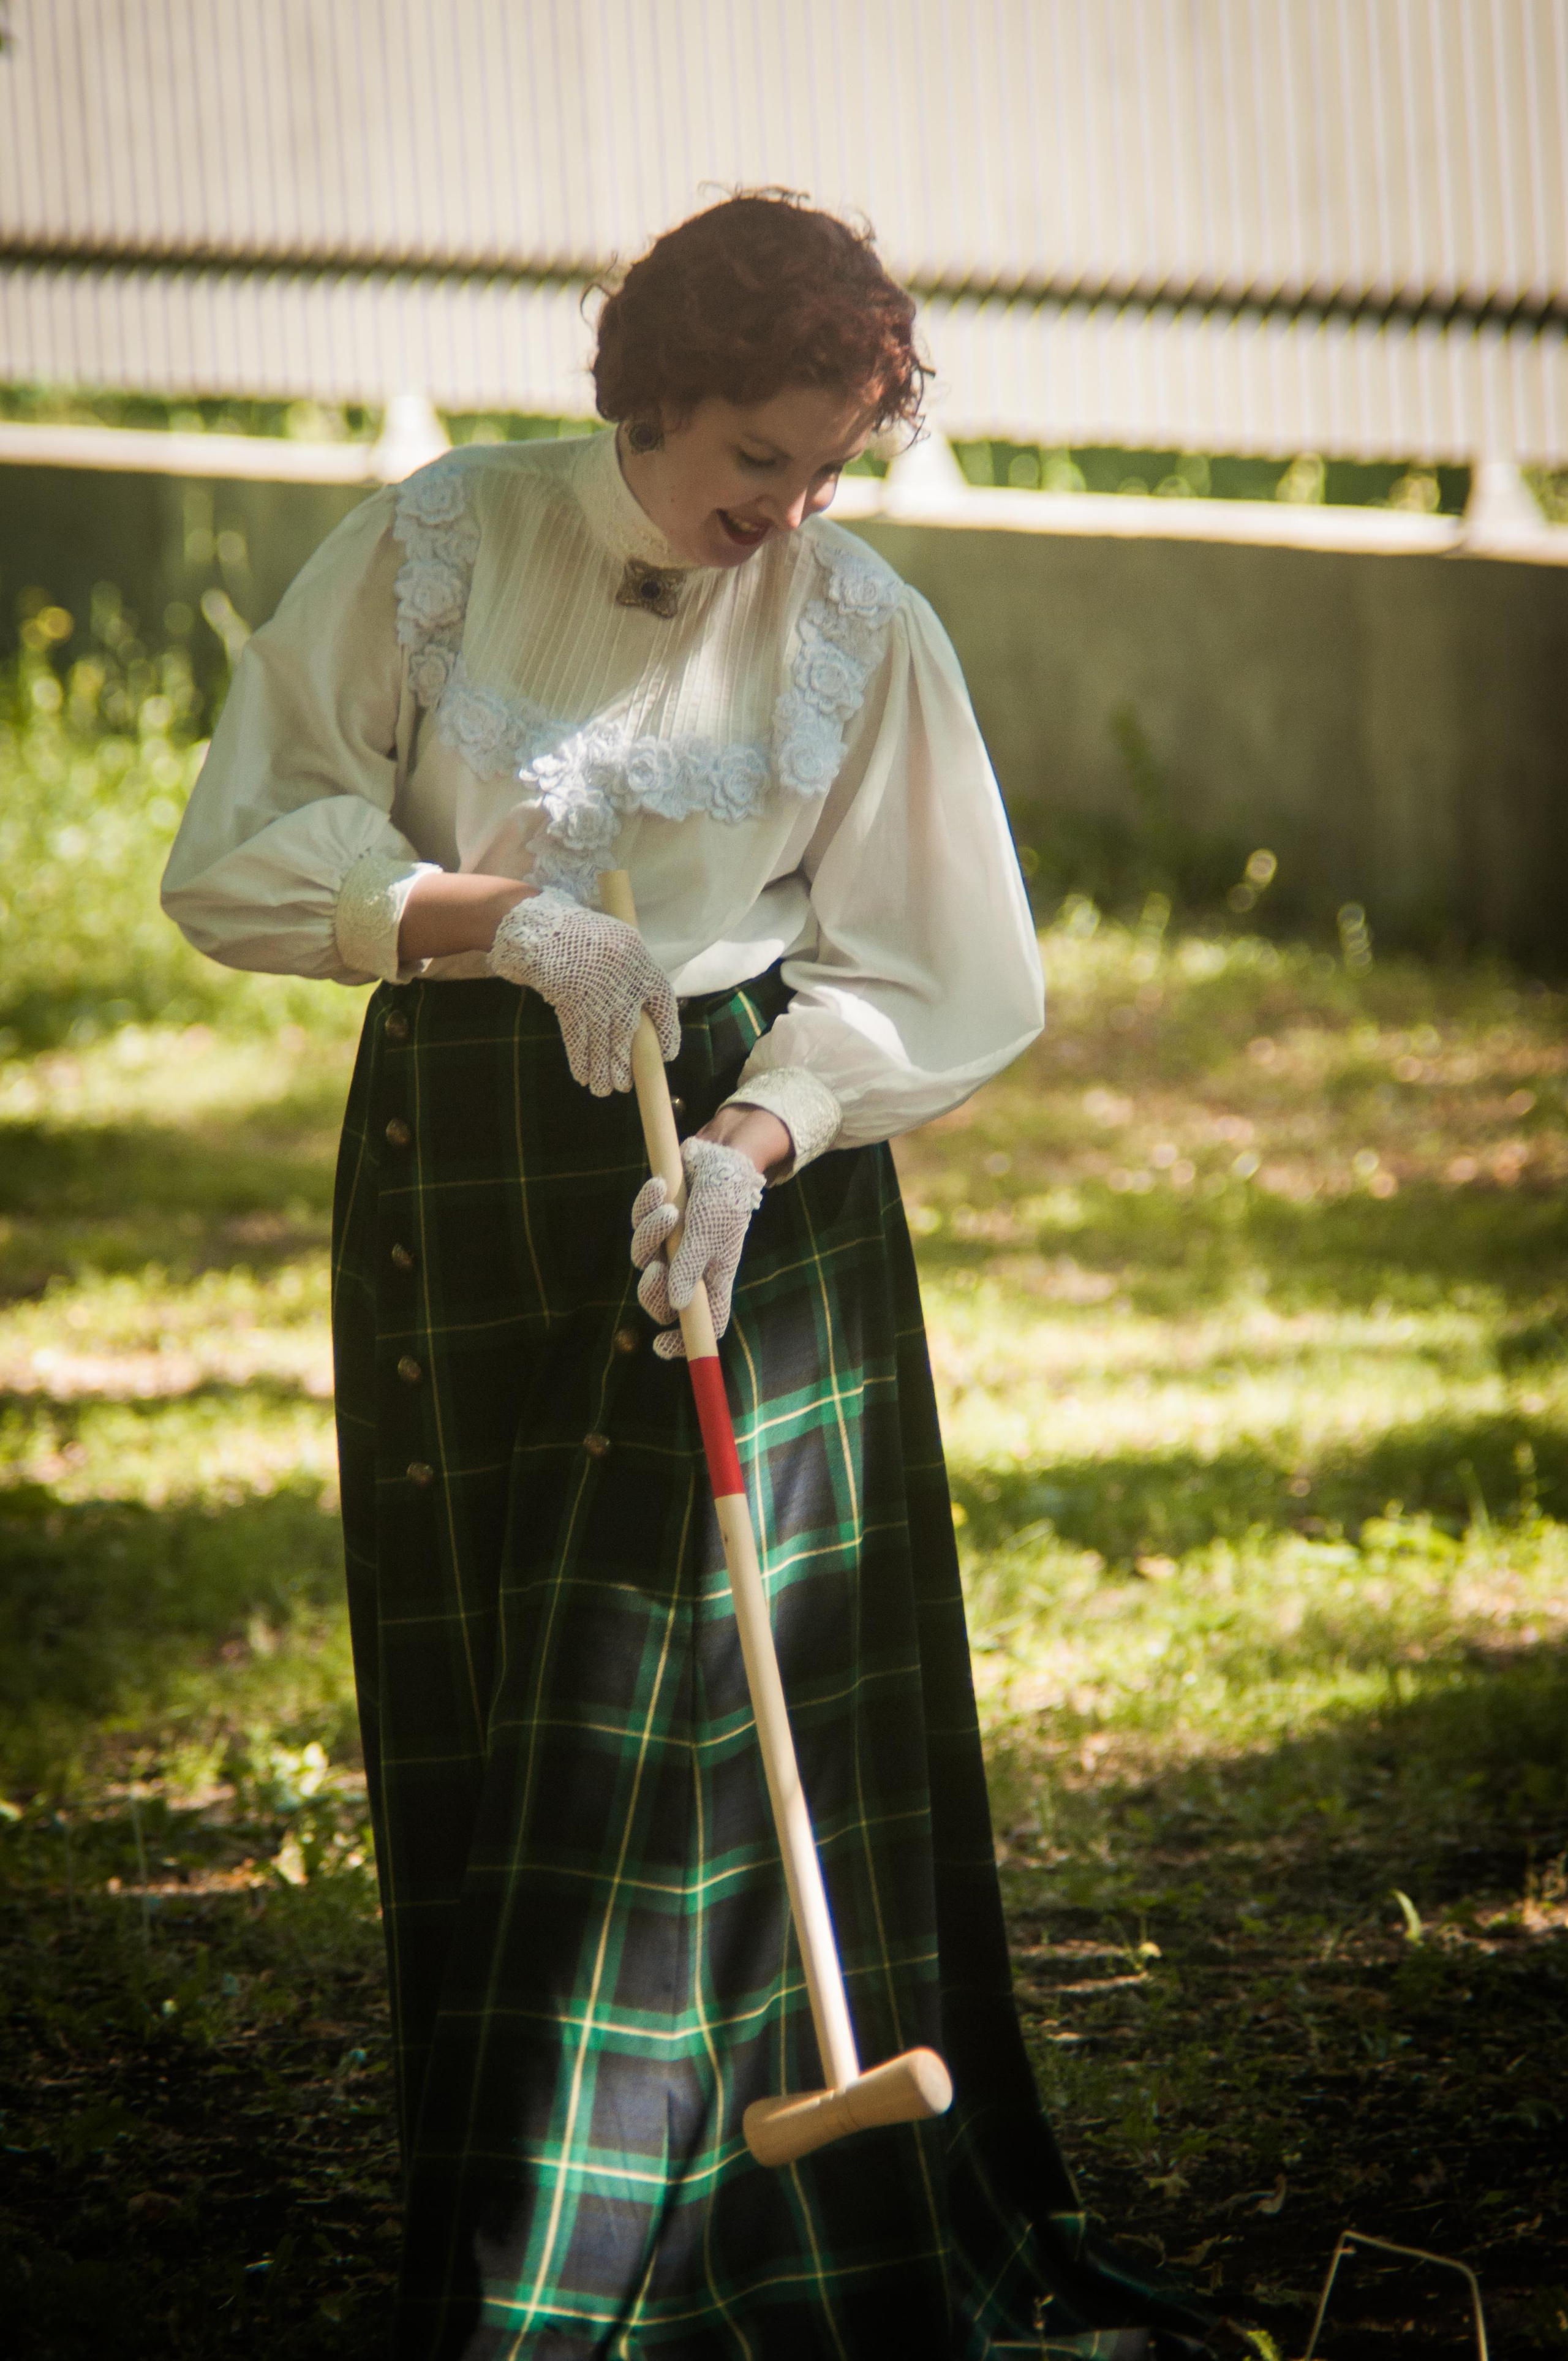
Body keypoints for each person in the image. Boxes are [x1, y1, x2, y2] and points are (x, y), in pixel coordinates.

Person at [164, 194, 1211, 2361]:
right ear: (649, 397)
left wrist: (747, 1151)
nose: (785, 511)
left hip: (746, 1167)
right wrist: (495, 920)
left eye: (827, 469)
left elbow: (942, 959)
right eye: (755, 459)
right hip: (467, 1141)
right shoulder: (441, 543)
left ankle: (657, 2241)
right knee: (506, 1694)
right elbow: (245, 840)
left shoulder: (856, 624)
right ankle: (539, 2221)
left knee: (680, 1685)